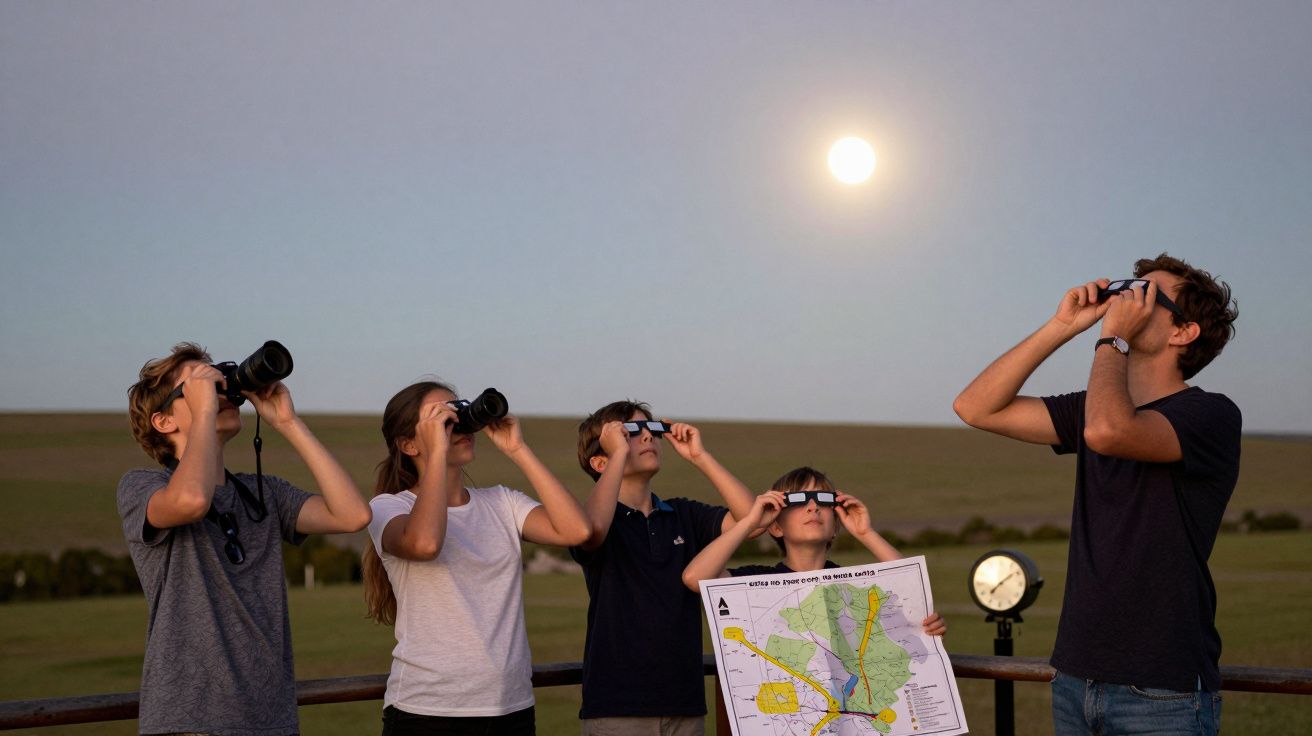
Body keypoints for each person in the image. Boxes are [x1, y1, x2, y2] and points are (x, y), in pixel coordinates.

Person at [953, 254, 1239, 735]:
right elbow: (975, 407)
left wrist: (1112, 338)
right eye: (1129, 286)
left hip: (1161, 689)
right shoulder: (1095, 406)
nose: (1126, 297)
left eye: (1146, 293)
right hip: (1073, 678)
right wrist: (1061, 327)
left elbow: (1109, 431)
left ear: (1183, 332)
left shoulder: (1211, 415)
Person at [119, 342, 372, 736]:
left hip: (271, 719)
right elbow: (191, 502)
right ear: (163, 422)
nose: (220, 390)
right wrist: (205, 410)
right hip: (191, 719)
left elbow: (353, 514)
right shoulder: (143, 486)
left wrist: (289, 423)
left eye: (219, 380)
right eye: (200, 384)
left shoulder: (264, 493)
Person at [363, 381, 591, 736]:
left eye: (460, 412)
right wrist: (438, 453)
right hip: (428, 710)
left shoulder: (503, 502)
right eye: (442, 420)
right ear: (409, 444)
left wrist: (518, 449)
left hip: (510, 706)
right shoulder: (389, 508)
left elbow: (577, 532)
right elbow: (425, 543)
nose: (459, 425)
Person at [571, 401, 757, 736]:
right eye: (629, 433)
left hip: (684, 705)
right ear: (600, 461)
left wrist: (700, 456)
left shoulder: (683, 514)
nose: (647, 438)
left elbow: (752, 521)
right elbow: (591, 530)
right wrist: (617, 456)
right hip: (618, 707)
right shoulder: (590, 519)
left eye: (652, 429)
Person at [681, 466, 946, 637]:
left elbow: (911, 592)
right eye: (797, 500)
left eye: (823, 500)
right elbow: (695, 578)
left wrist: (866, 533)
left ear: (835, 526)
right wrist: (750, 523)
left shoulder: (853, 587)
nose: (812, 508)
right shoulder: (754, 582)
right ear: (775, 527)